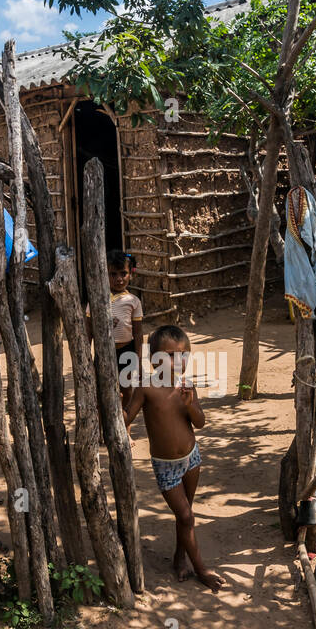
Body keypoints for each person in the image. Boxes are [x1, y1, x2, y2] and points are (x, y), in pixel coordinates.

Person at [123, 325, 226, 592]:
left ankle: (180, 558)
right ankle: (201, 568)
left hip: (192, 458)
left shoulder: (187, 386)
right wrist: (114, 415)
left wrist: (191, 402)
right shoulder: (146, 387)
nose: (177, 361)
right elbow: (127, 416)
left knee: (185, 515)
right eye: (169, 355)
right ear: (153, 358)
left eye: (183, 355)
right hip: (165, 465)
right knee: (187, 516)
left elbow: (200, 423)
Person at [107, 251, 143, 410]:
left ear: (131, 274)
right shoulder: (99, 299)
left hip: (127, 352)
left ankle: (126, 429)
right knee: (106, 392)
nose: (119, 279)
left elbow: (138, 333)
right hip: (106, 353)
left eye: (123, 273)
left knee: (127, 390)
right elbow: (89, 330)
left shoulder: (134, 301)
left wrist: (140, 360)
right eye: (113, 274)